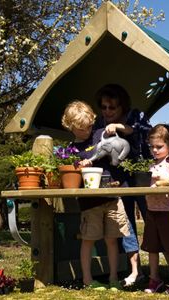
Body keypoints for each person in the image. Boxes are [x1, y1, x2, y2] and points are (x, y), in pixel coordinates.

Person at [61, 100, 130, 291]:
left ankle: (114, 277)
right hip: (90, 202)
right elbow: (70, 175)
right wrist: (78, 166)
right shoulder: (71, 150)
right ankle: (88, 280)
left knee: (112, 239)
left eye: (89, 126)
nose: (87, 131)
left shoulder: (100, 135)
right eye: (82, 129)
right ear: (71, 127)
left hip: (111, 197)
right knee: (88, 239)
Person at [93, 84, 152, 286]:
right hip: (119, 179)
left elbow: (146, 134)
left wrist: (120, 127)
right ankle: (136, 271)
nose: (107, 112)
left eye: (112, 107)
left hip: (143, 176)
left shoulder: (136, 116)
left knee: (152, 220)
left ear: (122, 107)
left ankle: (157, 271)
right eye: (104, 107)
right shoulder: (100, 123)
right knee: (126, 224)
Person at [141, 124, 169, 295]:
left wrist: (164, 178)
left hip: (168, 211)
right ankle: (154, 279)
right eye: (152, 147)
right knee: (152, 247)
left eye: (159, 147)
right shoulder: (150, 164)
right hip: (151, 210)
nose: (155, 150)